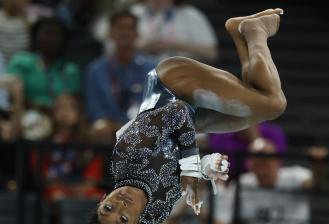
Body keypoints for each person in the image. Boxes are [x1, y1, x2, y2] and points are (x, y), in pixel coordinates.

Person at [89, 8, 287, 224]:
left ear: (101, 201)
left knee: (273, 104)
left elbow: (176, 111)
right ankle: (240, 31)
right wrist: (207, 166)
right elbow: (175, 167)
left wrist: (192, 166)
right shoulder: (156, 212)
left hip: (173, 85)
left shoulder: (127, 154)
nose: (120, 205)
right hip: (191, 119)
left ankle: (253, 31)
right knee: (265, 107)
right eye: (123, 219)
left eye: (109, 209)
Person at [85, 11, 157, 144]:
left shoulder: (153, 68)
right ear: (110, 33)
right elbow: (95, 110)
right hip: (108, 130)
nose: (124, 33)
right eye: (119, 28)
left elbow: (155, 106)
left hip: (142, 129)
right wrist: (114, 126)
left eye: (129, 28)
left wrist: (130, 127)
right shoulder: (95, 70)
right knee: (99, 130)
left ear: (137, 34)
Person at [6, 17, 81, 110]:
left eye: (56, 34)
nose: (51, 39)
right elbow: (12, 98)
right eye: (47, 33)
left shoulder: (70, 70)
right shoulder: (21, 62)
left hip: (61, 120)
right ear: (36, 36)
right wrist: (40, 107)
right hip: (25, 116)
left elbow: (76, 104)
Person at [131, 0, 218, 63]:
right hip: (140, 73)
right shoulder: (134, 12)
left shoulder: (190, 15)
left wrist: (172, 45)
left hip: (181, 74)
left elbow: (211, 53)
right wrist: (141, 46)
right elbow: (118, 46)